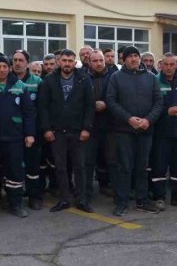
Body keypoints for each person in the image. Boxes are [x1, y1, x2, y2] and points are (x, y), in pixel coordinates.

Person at [106, 46, 162, 216]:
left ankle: (142, 200)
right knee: (124, 167)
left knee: (142, 167)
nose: (133, 59)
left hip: (145, 130)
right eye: (129, 56)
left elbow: (159, 102)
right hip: (124, 130)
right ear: (124, 59)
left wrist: (148, 120)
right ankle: (121, 202)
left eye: (136, 56)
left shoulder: (151, 78)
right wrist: (128, 118)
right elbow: (111, 101)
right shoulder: (116, 77)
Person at [38, 49, 94, 212]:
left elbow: (89, 106)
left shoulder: (84, 79)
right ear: (59, 62)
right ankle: (64, 199)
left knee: (80, 166)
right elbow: (43, 107)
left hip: (78, 131)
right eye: (64, 61)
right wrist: (47, 129)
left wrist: (86, 128)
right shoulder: (49, 80)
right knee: (60, 167)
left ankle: (82, 199)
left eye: (70, 61)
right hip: (57, 132)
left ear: (75, 62)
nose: (67, 64)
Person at [0, 55, 35, 220]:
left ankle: (16, 204)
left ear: (9, 68)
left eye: (5, 66)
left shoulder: (21, 86)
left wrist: (30, 134)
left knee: (15, 171)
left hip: (14, 138)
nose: (2, 69)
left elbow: (29, 113)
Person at [150, 53, 177, 209]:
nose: (169, 68)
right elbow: (150, 106)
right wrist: (166, 111)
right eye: (166, 64)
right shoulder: (154, 82)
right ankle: (159, 197)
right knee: (159, 166)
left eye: (172, 64)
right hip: (161, 133)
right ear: (161, 65)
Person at [81, 50, 114, 211]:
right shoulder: (82, 76)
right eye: (95, 61)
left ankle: (108, 186)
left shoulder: (114, 75)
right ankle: (85, 193)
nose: (99, 63)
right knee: (88, 161)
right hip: (89, 125)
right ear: (89, 62)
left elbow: (118, 96)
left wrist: (106, 104)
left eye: (101, 60)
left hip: (109, 125)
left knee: (110, 159)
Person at [11, 50, 45, 210]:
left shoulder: (37, 81)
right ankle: (14, 199)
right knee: (14, 167)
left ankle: (34, 196)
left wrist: (35, 131)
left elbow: (41, 107)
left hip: (32, 131)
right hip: (14, 132)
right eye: (15, 60)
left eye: (21, 60)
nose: (17, 63)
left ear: (27, 63)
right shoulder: (7, 80)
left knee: (33, 166)